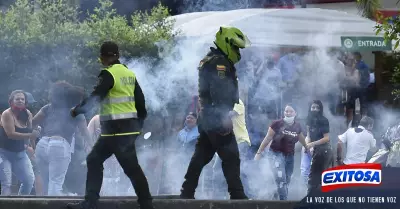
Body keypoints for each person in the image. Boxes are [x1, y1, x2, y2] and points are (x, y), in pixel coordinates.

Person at [67, 41, 152, 209]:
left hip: (115, 132)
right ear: (118, 56)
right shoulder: (129, 74)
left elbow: (96, 96)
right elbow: (141, 104)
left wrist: (77, 111)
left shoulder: (108, 74)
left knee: (115, 165)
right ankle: (145, 204)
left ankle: (91, 203)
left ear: (102, 58)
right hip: (122, 132)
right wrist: (138, 126)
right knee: (102, 162)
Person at [180, 26, 251, 200]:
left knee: (202, 155)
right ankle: (237, 194)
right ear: (226, 43)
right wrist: (224, 116)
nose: (237, 51)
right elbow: (219, 92)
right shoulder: (220, 63)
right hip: (216, 117)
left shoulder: (210, 59)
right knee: (231, 155)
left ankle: (186, 191)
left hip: (207, 116)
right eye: (235, 47)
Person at [32, 81, 91, 196]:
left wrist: (35, 134)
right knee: (55, 183)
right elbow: (85, 133)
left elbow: (32, 123)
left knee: (46, 182)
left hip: (42, 144)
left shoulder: (47, 108)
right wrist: (92, 146)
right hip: (59, 145)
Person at [254, 104, 309, 200]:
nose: (288, 113)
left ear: (295, 113)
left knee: (286, 180)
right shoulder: (277, 124)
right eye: (286, 111)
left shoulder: (297, 126)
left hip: (289, 157)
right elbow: (267, 138)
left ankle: (276, 195)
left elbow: (300, 137)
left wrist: (306, 147)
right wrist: (259, 152)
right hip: (275, 155)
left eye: (290, 111)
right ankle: (283, 203)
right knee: (281, 180)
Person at [0, 90, 39, 195]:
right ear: (11, 101)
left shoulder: (28, 114)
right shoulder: (7, 114)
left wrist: (32, 148)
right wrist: (30, 135)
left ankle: (21, 204)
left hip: (20, 153)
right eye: (17, 99)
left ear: (26, 102)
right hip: (3, 153)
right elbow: (11, 134)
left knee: (29, 181)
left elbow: (31, 133)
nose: (20, 101)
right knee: (6, 183)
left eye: (22, 99)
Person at [305, 100, 333, 194]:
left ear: (320, 109)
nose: (315, 109)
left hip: (324, 150)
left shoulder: (323, 120)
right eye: (313, 107)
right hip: (315, 150)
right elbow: (308, 135)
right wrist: (307, 146)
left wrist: (312, 144)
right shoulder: (308, 119)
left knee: (318, 178)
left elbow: (326, 138)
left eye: (317, 107)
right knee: (313, 177)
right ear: (310, 108)